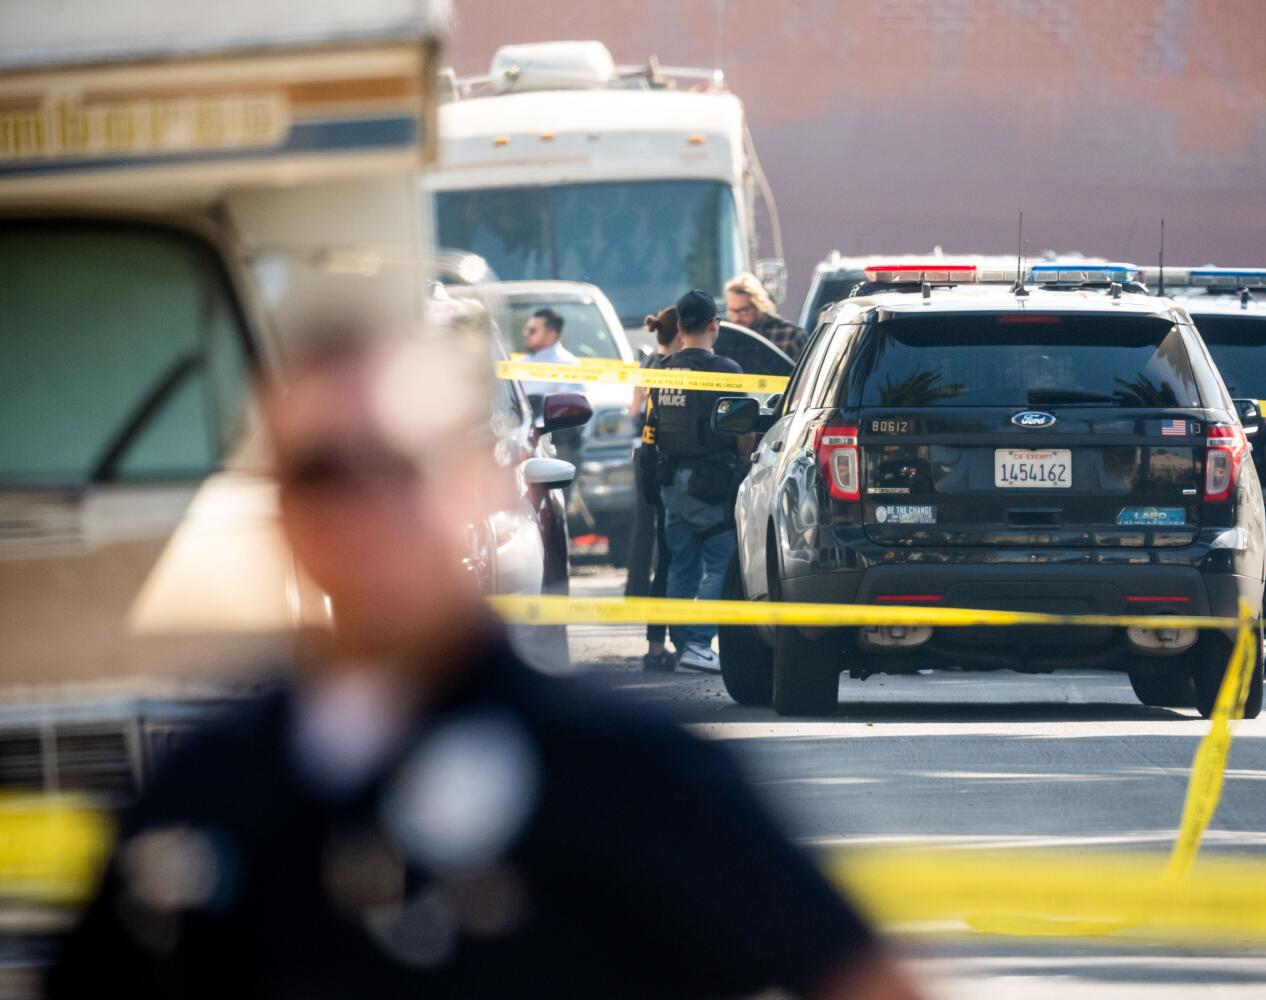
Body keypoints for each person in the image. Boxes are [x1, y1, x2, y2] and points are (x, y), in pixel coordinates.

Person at [48, 328, 920, 1000]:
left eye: (396, 466)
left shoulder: (632, 775)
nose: (364, 509)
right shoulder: (205, 793)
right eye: (321, 475)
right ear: (277, 510)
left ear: (479, 485)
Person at [647, 290, 753, 673]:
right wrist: (747, 459)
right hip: (710, 482)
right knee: (723, 561)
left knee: (681, 564)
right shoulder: (725, 371)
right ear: (714, 325)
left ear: (679, 326)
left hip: (671, 481)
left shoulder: (660, 369)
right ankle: (697, 643)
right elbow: (742, 428)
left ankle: (683, 645)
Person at [625, 305, 683, 671]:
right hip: (666, 465)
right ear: (680, 333)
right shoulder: (680, 371)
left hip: (644, 461)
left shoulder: (647, 365)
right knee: (670, 558)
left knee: (653, 547)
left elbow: (633, 412)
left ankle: (655, 644)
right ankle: (670, 643)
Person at [518, 306, 585, 478]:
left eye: (533, 330)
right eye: (526, 328)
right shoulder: (519, 364)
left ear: (551, 334)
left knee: (558, 500)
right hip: (522, 443)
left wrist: (540, 404)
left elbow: (569, 409)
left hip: (557, 445)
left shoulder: (568, 365)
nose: (526, 333)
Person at [725, 271, 807, 360]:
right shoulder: (725, 338)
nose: (737, 317)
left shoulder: (790, 335)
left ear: (759, 306)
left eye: (743, 311)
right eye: (732, 311)